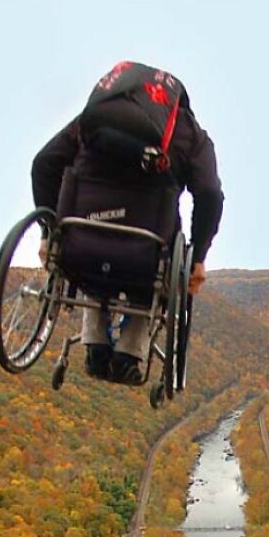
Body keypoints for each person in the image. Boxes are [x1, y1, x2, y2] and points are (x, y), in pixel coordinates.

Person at [31, 61, 223, 384]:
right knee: (155, 267)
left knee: (91, 256)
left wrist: (48, 232)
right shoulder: (188, 133)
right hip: (145, 260)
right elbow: (209, 193)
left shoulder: (90, 121)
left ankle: (95, 344)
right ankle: (129, 353)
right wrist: (199, 256)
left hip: (80, 249)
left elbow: (43, 165)